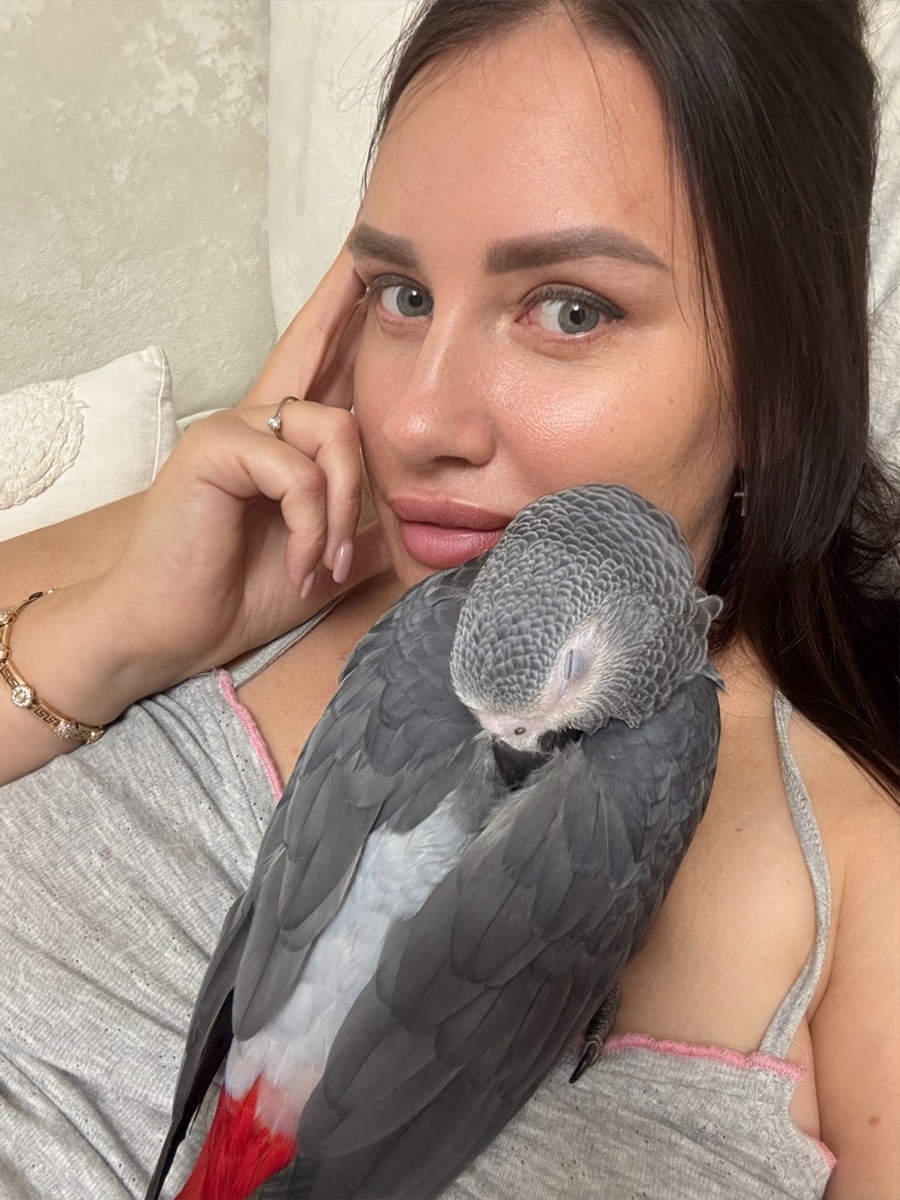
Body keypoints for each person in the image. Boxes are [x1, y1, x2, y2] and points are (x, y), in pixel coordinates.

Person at [1, 1, 898, 1197]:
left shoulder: (864, 884)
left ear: (785, 379)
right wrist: (123, 634)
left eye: (571, 309)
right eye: (402, 294)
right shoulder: (232, 525)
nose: (417, 421)